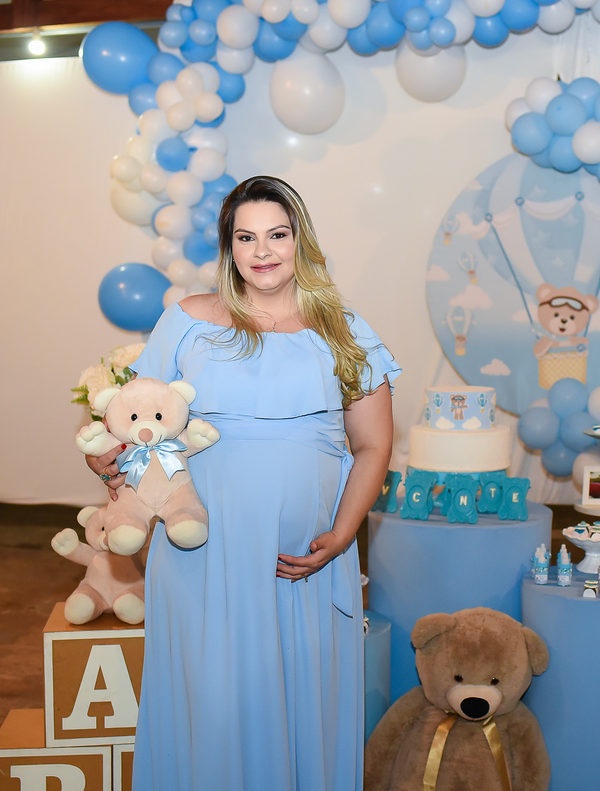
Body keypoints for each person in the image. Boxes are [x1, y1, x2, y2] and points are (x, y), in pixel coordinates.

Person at [87, 176, 399, 790]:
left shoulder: (346, 330)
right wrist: (110, 462)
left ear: (300, 240)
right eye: (246, 237)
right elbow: (138, 422)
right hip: (201, 551)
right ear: (228, 246)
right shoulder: (186, 320)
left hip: (301, 562)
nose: (263, 251)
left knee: (298, 695)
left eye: (277, 235)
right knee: (213, 701)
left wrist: (341, 537)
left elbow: (374, 446)